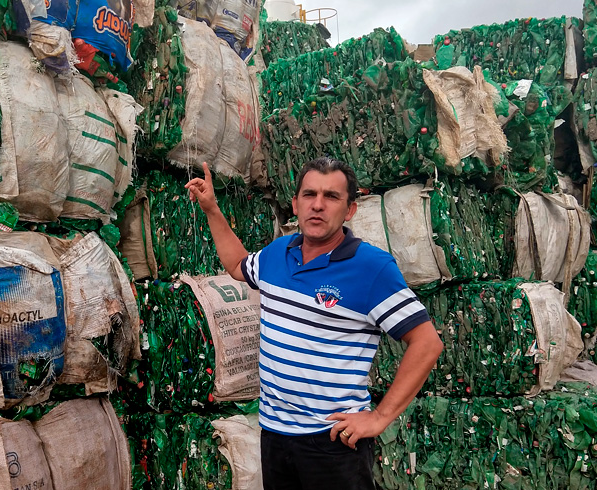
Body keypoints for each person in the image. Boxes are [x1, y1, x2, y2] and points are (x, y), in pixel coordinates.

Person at [185, 157, 443, 489]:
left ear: (350, 210)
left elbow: (427, 343)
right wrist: (211, 209)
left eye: (331, 196)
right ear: (295, 204)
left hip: (332, 442)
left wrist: (379, 417)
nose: (317, 205)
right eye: (309, 194)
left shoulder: (371, 268)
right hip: (275, 436)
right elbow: (237, 265)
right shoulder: (278, 253)